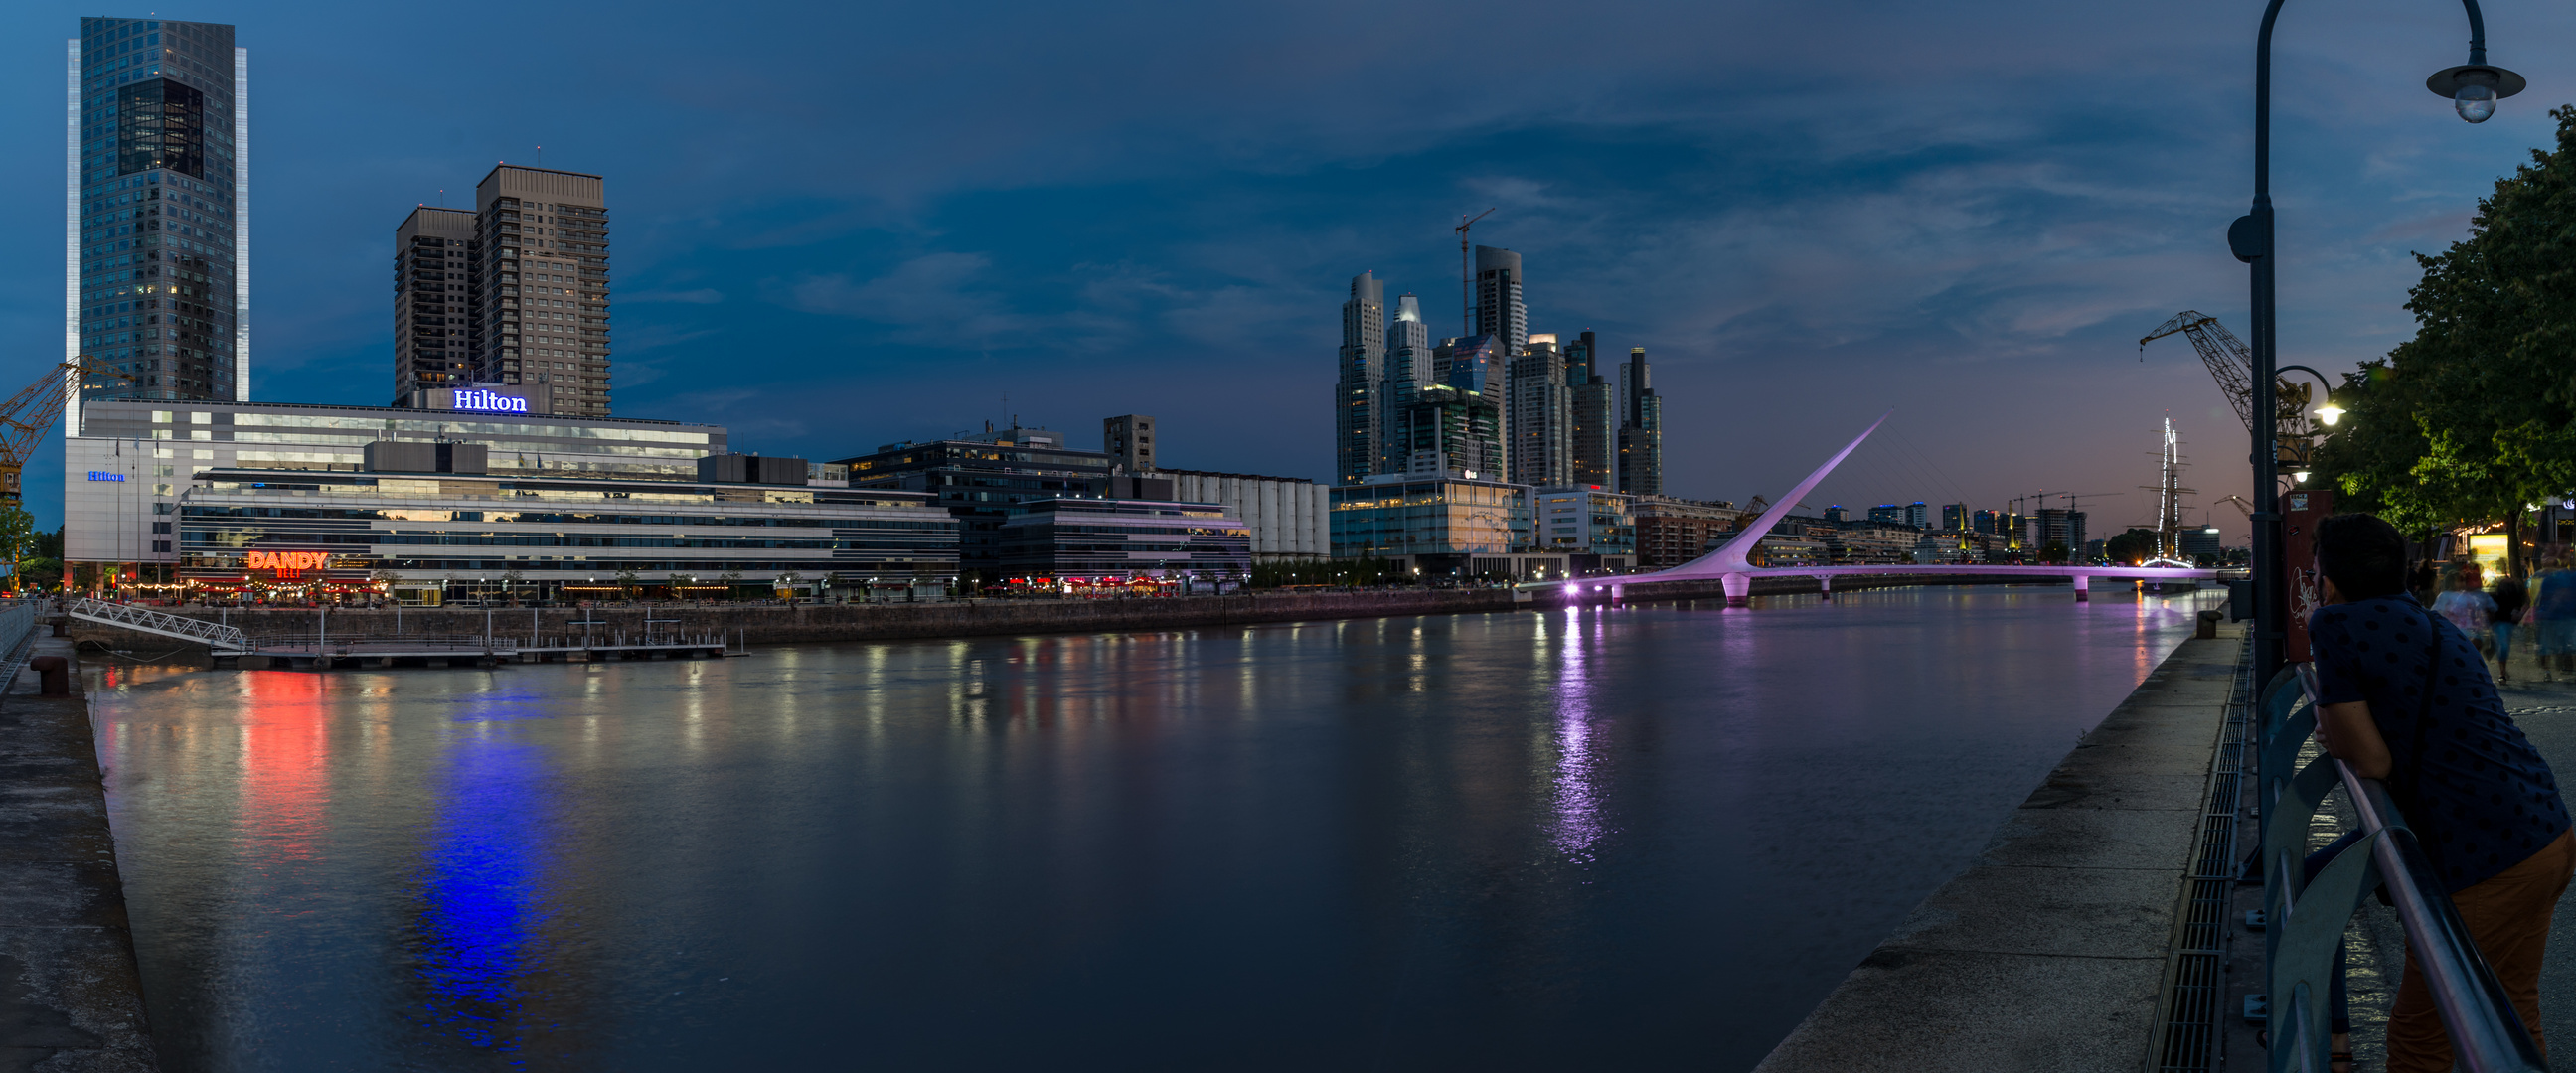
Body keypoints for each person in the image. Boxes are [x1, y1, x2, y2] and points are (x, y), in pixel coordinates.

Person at [2308, 514, 2574, 1072]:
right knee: (2513, 1013)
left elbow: (2372, 759)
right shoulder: (2427, 621)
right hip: (2545, 828)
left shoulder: (2335, 624)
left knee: (2419, 1037)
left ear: (2327, 579)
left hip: (2484, 850)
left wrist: (2330, 723)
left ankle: (2333, 1042)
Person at [2539, 554, 2576, 682]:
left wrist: (2544, 612)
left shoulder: (2549, 579)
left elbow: (2543, 598)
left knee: (2548, 644)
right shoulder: (2572, 577)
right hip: (2568, 615)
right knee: (2571, 643)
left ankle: (2547, 672)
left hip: (2553, 616)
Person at [2494, 568, 2530, 684]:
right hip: (2504, 623)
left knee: (2504, 646)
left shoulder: (2499, 596)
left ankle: (2503, 671)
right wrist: (2519, 614)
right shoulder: (2512, 595)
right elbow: (2525, 603)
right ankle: (2502, 672)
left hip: (2503, 623)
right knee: (2504, 646)